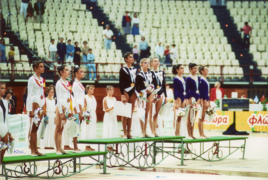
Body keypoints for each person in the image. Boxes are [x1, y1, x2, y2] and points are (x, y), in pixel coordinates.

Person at [26, 61, 46, 156]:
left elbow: (43, 93)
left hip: (41, 103)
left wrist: (44, 106)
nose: (43, 68)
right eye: (41, 66)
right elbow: (29, 94)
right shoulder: (31, 79)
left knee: (37, 128)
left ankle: (36, 149)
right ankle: (32, 150)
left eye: (43, 66)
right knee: (33, 128)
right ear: (35, 68)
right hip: (34, 103)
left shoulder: (42, 79)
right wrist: (29, 109)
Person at [55, 65, 73, 155]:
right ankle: (57, 148)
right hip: (60, 106)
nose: (68, 72)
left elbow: (69, 96)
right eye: (66, 70)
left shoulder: (68, 83)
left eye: (69, 70)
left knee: (62, 128)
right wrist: (61, 112)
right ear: (61, 72)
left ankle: (60, 147)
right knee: (58, 127)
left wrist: (71, 108)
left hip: (66, 107)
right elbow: (58, 98)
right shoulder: (59, 83)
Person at [119, 52, 137, 139]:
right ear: (126, 59)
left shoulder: (135, 70)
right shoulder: (123, 69)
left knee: (130, 113)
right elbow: (121, 82)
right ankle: (124, 133)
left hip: (133, 91)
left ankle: (129, 132)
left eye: (132, 57)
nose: (132, 58)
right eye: (130, 57)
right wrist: (122, 94)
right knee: (124, 113)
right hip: (126, 91)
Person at [149, 57, 167, 137]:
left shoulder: (162, 72)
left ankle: (155, 131)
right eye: (155, 61)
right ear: (151, 63)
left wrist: (165, 96)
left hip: (161, 93)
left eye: (158, 61)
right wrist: (153, 94)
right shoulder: (149, 72)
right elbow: (149, 85)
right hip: (152, 94)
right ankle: (151, 131)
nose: (157, 62)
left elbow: (163, 84)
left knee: (156, 113)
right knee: (151, 113)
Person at [136, 58, 153, 137]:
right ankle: (142, 131)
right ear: (141, 64)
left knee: (147, 112)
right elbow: (137, 87)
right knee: (142, 112)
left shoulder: (150, 74)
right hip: (142, 94)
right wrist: (142, 93)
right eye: (145, 63)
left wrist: (151, 89)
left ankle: (145, 131)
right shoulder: (139, 74)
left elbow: (153, 84)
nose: (147, 64)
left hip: (149, 93)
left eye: (148, 63)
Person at [0, 81, 14, 166]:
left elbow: (7, 119)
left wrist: (9, 133)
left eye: (4, 88)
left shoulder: (5, 102)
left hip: (4, 127)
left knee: (3, 152)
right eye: (2, 88)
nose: (4, 90)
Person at [72, 66, 85, 153]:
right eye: (81, 71)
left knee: (78, 126)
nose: (83, 73)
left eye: (83, 71)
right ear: (76, 73)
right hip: (77, 107)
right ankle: (75, 147)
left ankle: (76, 146)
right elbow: (76, 98)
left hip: (81, 106)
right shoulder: (75, 84)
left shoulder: (80, 83)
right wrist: (78, 111)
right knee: (76, 126)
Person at [186, 63, 201, 139]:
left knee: (194, 117)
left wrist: (200, 99)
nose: (196, 70)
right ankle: (189, 134)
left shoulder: (198, 78)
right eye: (194, 68)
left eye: (197, 68)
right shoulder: (188, 78)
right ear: (190, 69)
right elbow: (187, 90)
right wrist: (189, 100)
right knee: (189, 117)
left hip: (197, 97)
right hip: (191, 98)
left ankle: (192, 133)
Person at [172, 64, 187, 136]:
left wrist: (186, 98)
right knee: (177, 116)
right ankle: (176, 133)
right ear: (177, 70)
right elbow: (175, 91)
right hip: (179, 97)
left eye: (183, 68)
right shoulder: (176, 79)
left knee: (181, 116)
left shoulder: (184, 78)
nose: (183, 69)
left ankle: (179, 132)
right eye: (181, 68)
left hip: (183, 96)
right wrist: (176, 100)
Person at [103, 85, 118, 150]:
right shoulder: (105, 99)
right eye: (110, 90)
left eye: (112, 89)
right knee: (109, 129)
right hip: (108, 115)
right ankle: (108, 145)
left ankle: (112, 145)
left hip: (113, 115)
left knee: (113, 129)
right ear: (107, 90)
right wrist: (111, 108)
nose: (112, 91)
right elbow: (105, 109)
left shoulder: (114, 99)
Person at [82, 85, 97, 151]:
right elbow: (84, 108)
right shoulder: (85, 97)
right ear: (87, 89)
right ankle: (87, 145)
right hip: (88, 114)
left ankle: (90, 144)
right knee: (87, 129)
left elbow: (94, 108)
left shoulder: (93, 97)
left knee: (92, 129)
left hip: (93, 114)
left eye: (93, 89)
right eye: (91, 89)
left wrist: (95, 116)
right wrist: (86, 117)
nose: (92, 90)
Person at [41, 85, 56, 149]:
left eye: (53, 92)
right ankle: (46, 145)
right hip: (47, 115)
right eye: (51, 92)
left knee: (52, 130)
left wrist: (55, 117)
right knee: (47, 130)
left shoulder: (53, 100)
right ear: (48, 93)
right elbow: (44, 109)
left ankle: (51, 144)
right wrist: (46, 117)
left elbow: (54, 109)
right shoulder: (45, 100)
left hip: (53, 115)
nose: (52, 93)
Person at [199, 66, 210, 139]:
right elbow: (201, 92)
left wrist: (208, 100)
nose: (207, 70)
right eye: (205, 69)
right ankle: (200, 134)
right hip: (203, 100)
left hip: (206, 99)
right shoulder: (201, 80)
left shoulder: (206, 80)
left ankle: (202, 133)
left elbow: (207, 92)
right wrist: (203, 101)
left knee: (203, 117)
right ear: (202, 71)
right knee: (201, 116)